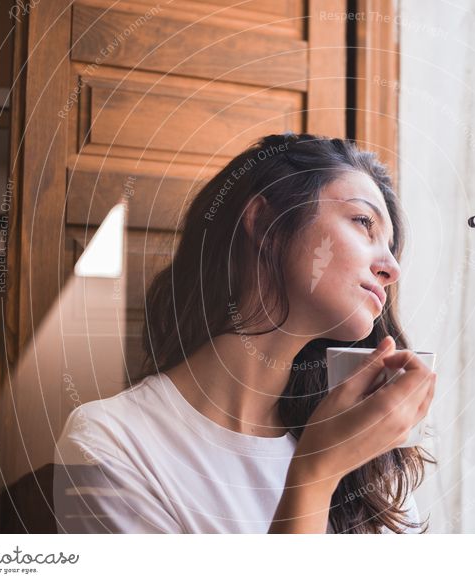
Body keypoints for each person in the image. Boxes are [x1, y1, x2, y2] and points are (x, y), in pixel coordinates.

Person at [53, 133, 437, 534]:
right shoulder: (110, 446)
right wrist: (316, 473)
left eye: (391, 247)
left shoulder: (365, 444)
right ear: (266, 224)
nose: (392, 268)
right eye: (364, 223)